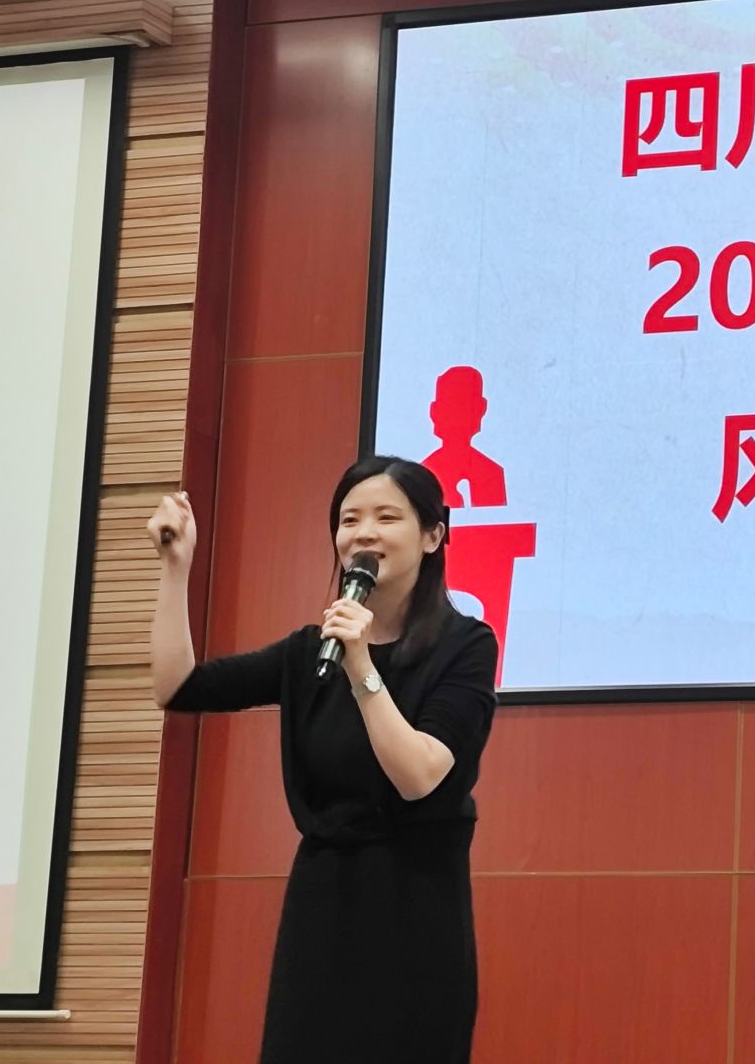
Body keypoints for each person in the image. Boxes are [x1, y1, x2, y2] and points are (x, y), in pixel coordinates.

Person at [147, 456, 499, 1064]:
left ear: (432, 535)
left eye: (386, 517)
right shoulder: (311, 652)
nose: (364, 534)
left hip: (415, 916)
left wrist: (361, 668)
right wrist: (175, 569)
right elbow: (177, 687)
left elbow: (419, 776)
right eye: (349, 520)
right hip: (322, 911)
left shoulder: (465, 646)